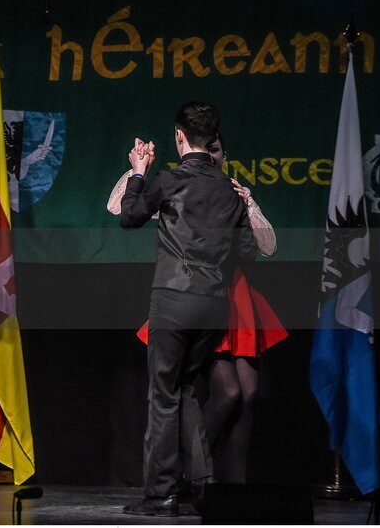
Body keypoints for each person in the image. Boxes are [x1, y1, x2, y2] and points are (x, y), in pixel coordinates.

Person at [108, 133, 287, 486]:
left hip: (234, 293)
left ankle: (232, 484)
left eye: (218, 150)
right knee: (226, 391)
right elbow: (119, 208)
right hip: (193, 291)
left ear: (224, 154)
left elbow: (266, 247)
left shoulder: (230, 191)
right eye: (209, 148)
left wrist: (249, 203)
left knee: (246, 394)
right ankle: (192, 469)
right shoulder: (179, 187)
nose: (212, 155)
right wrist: (140, 170)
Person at [118, 103, 259, 517]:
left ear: (180, 137)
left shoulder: (170, 179)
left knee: (163, 396)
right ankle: (203, 485)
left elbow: (129, 217)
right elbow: (248, 251)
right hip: (213, 304)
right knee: (185, 392)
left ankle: (160, 493)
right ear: (212, 139)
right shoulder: (230, 189)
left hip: (175, 300)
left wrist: (139, 172)